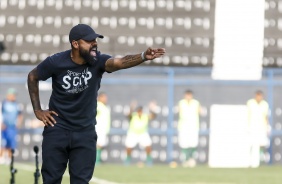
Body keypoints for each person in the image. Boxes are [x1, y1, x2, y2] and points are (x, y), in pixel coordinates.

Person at [27, 23, 165, 184]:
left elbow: (120, 62)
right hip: (57, 129)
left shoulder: (98, 60)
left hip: (85, 132)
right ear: (75, 44)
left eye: (95, 40)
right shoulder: (56, 62)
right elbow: (32, 76)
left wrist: (142, 56)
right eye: (89, 40)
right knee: (51, 180)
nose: (94, 43)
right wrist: (37, 110)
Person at [124, 101, 157, 166]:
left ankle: (149, 161)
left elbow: (153, 116)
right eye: (138, 111)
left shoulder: (145, 116)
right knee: (129, 148)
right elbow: (128, 115)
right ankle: (127, 160)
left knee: (148, 147)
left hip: (143, 134)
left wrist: (152, 109)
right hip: (133, 133)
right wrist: (131, 107)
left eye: (141, 111)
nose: (140, 112)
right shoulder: (133, 116)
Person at [177, 90, 201, 167]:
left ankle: (191, 159)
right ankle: (185, 160)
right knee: (184, 144)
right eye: (187, 95)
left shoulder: (196, 103)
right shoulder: (181, 102)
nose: (188, 96)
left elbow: (200, 111)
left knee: (193, 143)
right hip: (183, 126)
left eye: (189, 95)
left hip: (193, 126)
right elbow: (178, 110)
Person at [247, 90, 270, 168]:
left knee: (261, 145)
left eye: (260, 96)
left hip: (261, 128)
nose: (259, 97)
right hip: (252, 127)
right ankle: (250, 162)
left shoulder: (265, 104)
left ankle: (261, 161)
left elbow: (266, 117)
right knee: (251, 144)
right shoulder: (250, 103)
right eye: (257, 95)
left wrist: (267, 127)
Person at [0, 88, 23, 164]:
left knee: (11, 143)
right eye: (12, 95)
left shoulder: (17, 104)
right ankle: (2, 157)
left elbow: (20, 115)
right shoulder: (4, 103)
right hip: (4, 127)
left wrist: (18, 123)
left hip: (12, 127)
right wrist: (1, 123)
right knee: (3, 143)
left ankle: (9, 159)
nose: (14, 97)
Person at [95, 92, 111, 165]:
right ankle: (96, 161)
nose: (105, 99)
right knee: (98, 145)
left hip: (103, 129)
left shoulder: (105, 106)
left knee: (100, 145)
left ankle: (97, 160)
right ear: (100, 97)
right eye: (103, 97)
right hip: (98, 128)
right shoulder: (98, 105)